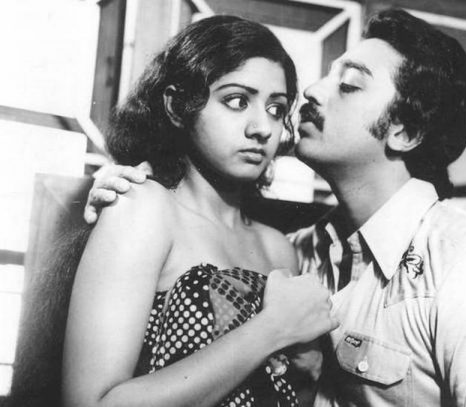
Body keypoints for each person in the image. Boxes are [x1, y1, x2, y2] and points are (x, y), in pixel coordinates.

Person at [85, 8, 466, 406]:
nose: (311, 91)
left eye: (348, 85)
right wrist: (127, 186)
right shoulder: (300, 253)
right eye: (237, 101)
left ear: (405, 132)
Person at [63, 15, 338, 407]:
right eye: (237, 101)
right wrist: (271, 329)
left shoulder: (278, 248)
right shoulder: (144, 208)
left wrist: (308, 373)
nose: (262, 128)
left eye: (276, 109)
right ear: (177, 106)